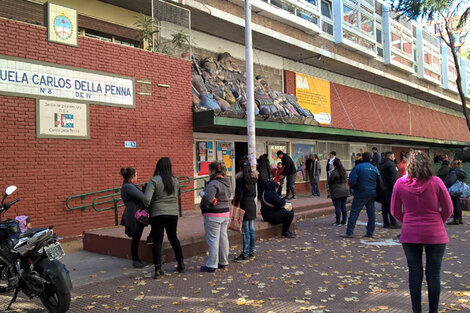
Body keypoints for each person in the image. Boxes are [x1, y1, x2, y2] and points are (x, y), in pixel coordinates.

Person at [391, 150, 453, 313]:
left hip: (410, 233)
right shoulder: (437, 182)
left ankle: (416, 310)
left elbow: (394, 211)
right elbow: (448, 208)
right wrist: (439, 220)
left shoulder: (400, 183)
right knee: (433, 274)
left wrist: (408, 221)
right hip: (435, 233)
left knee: (414, 272)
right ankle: (433, 311)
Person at [144, 158, 184, 279]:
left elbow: (146, 199)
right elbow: (176, 195)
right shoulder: (175, 180)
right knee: (173, 237)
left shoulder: (154, 180)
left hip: (157, 213)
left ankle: (158, 269)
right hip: (172, 213)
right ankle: (181, 264)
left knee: (158, 240)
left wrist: (148, 205)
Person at [199, 161, 232, 272]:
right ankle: (224, 262)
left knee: (213, 240)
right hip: (225, 213)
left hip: (213, 214)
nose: (208, 173)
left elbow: (208, 198)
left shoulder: (213, 183)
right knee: (223, 238)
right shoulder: (227, 182)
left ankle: (212, 265)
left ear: (213, 171)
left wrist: (202, 204)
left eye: (209, 171)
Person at [341, 152, 380, 238]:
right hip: (372, 193)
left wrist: (354, 188)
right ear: (370, 159)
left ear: (362, 158)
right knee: (371, 213)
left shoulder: (357, 167)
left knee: (354, 212)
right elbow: (379, 181)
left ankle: (349, 232)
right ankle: (370, 232)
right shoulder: (374, 168)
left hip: (360, 192)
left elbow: (351, 181)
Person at [120, 167, 147, 268]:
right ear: (133, 176)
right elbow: (143, 198)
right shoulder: (128, 187)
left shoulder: (128, 186)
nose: (137, 176)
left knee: (137, 236)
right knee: (136, 237)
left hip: (135, 213)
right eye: (136, 174)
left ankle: (137, 259)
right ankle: (135, 260)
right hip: (134, 214)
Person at [233, 158, 257, 263]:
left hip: (244, 205)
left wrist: (235, 203)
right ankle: (251, 251)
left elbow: (239, 195)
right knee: (251, 228)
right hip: (252, 204)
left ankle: (245, 254)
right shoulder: (253, 178)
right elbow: (255, 193)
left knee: (245, 229)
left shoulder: (240, 179)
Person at [378, 151, 400, 229]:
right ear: (390, 156)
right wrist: (395, 188)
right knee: (391, 205)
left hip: (382, 188)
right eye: (393, 156)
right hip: (390, 188)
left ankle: (386, 222)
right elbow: (393, 177)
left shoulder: (380, 164)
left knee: (384, 206)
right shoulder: (391, 165)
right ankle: (393, 222)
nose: (394, 158)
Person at [444, 160, 468, 225]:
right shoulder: (461, 171)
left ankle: (456, 219)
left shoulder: (453, 172)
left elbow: (450, 181)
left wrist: (446, 182)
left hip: (453, 190)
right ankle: (459, 219)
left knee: (455, 204)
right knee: (458, 204)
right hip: (459, 189)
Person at [327, 159, 349, 226]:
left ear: (334, 165)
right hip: (345, 190)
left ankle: (337, 221)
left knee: (337, 207)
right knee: (343, 206)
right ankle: (344, 221)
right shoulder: (343, 171)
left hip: (337, 191)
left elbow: (329, 181)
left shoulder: (334, 172)